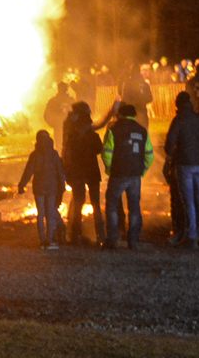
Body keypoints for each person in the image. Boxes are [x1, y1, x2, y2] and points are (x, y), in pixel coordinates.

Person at [102, 102, 154, 249]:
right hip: (135, 175)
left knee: (112, 205)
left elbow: (106, 153)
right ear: (134, 115)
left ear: (120, 114)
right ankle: (133, 240)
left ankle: (112, 239)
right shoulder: (142, 131)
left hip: (118, 174)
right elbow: (149, 155)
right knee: (134, 207)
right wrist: (142, 170)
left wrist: (110, 169)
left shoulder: (113, 130)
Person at [165, 90, 199, 247]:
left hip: (185, 164)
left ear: (178, 104)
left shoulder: (179, 120)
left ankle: (191, 236)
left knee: (189, 201)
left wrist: (172, 155)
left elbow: (169, 144)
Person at [60, 101, 103, 247]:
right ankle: (100, 235)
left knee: (78, 202)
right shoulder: (92, 136)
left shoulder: (71, 137)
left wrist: (66, 170)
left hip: (77, 172)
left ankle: (75, 235)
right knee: (95, 203)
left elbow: (68, 152)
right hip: (91, 173)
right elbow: (99, 149)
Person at [18, 128, 66, 249]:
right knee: (50, 214)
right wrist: (62, 186)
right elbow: (60, 172)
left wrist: (22, 185)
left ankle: (42, 240)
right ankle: (50, 240)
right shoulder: (54, 154)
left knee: (41, 214)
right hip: (51, 188)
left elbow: (28, 171)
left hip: (39, 187)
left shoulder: (35, 155)